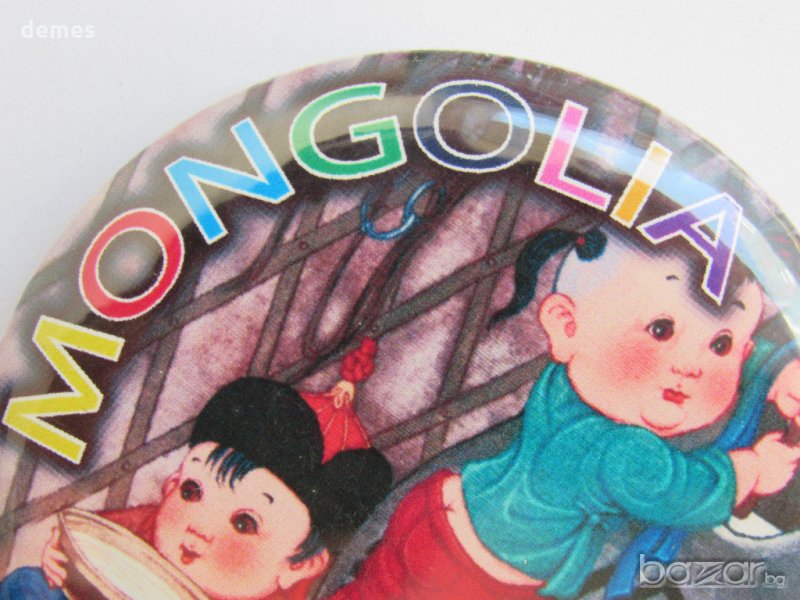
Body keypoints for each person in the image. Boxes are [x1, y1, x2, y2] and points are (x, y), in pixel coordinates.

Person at [327, 226, 800, 600]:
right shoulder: (619, 447)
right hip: (473, 573)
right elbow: (677, 491)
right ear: (566, 326)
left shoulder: (572, 383)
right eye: (660, 330)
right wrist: (751, 470)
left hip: (441, 507)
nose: (691, 366)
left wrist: (775, 369)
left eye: (721, 347)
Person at [2, 341, 391, 600]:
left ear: (301, 564)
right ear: (172, 485)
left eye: (244, 523)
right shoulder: (148, 532)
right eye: (192, 492)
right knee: (31, 586)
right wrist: (63, 556)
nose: (198, 529)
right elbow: (108, 537)